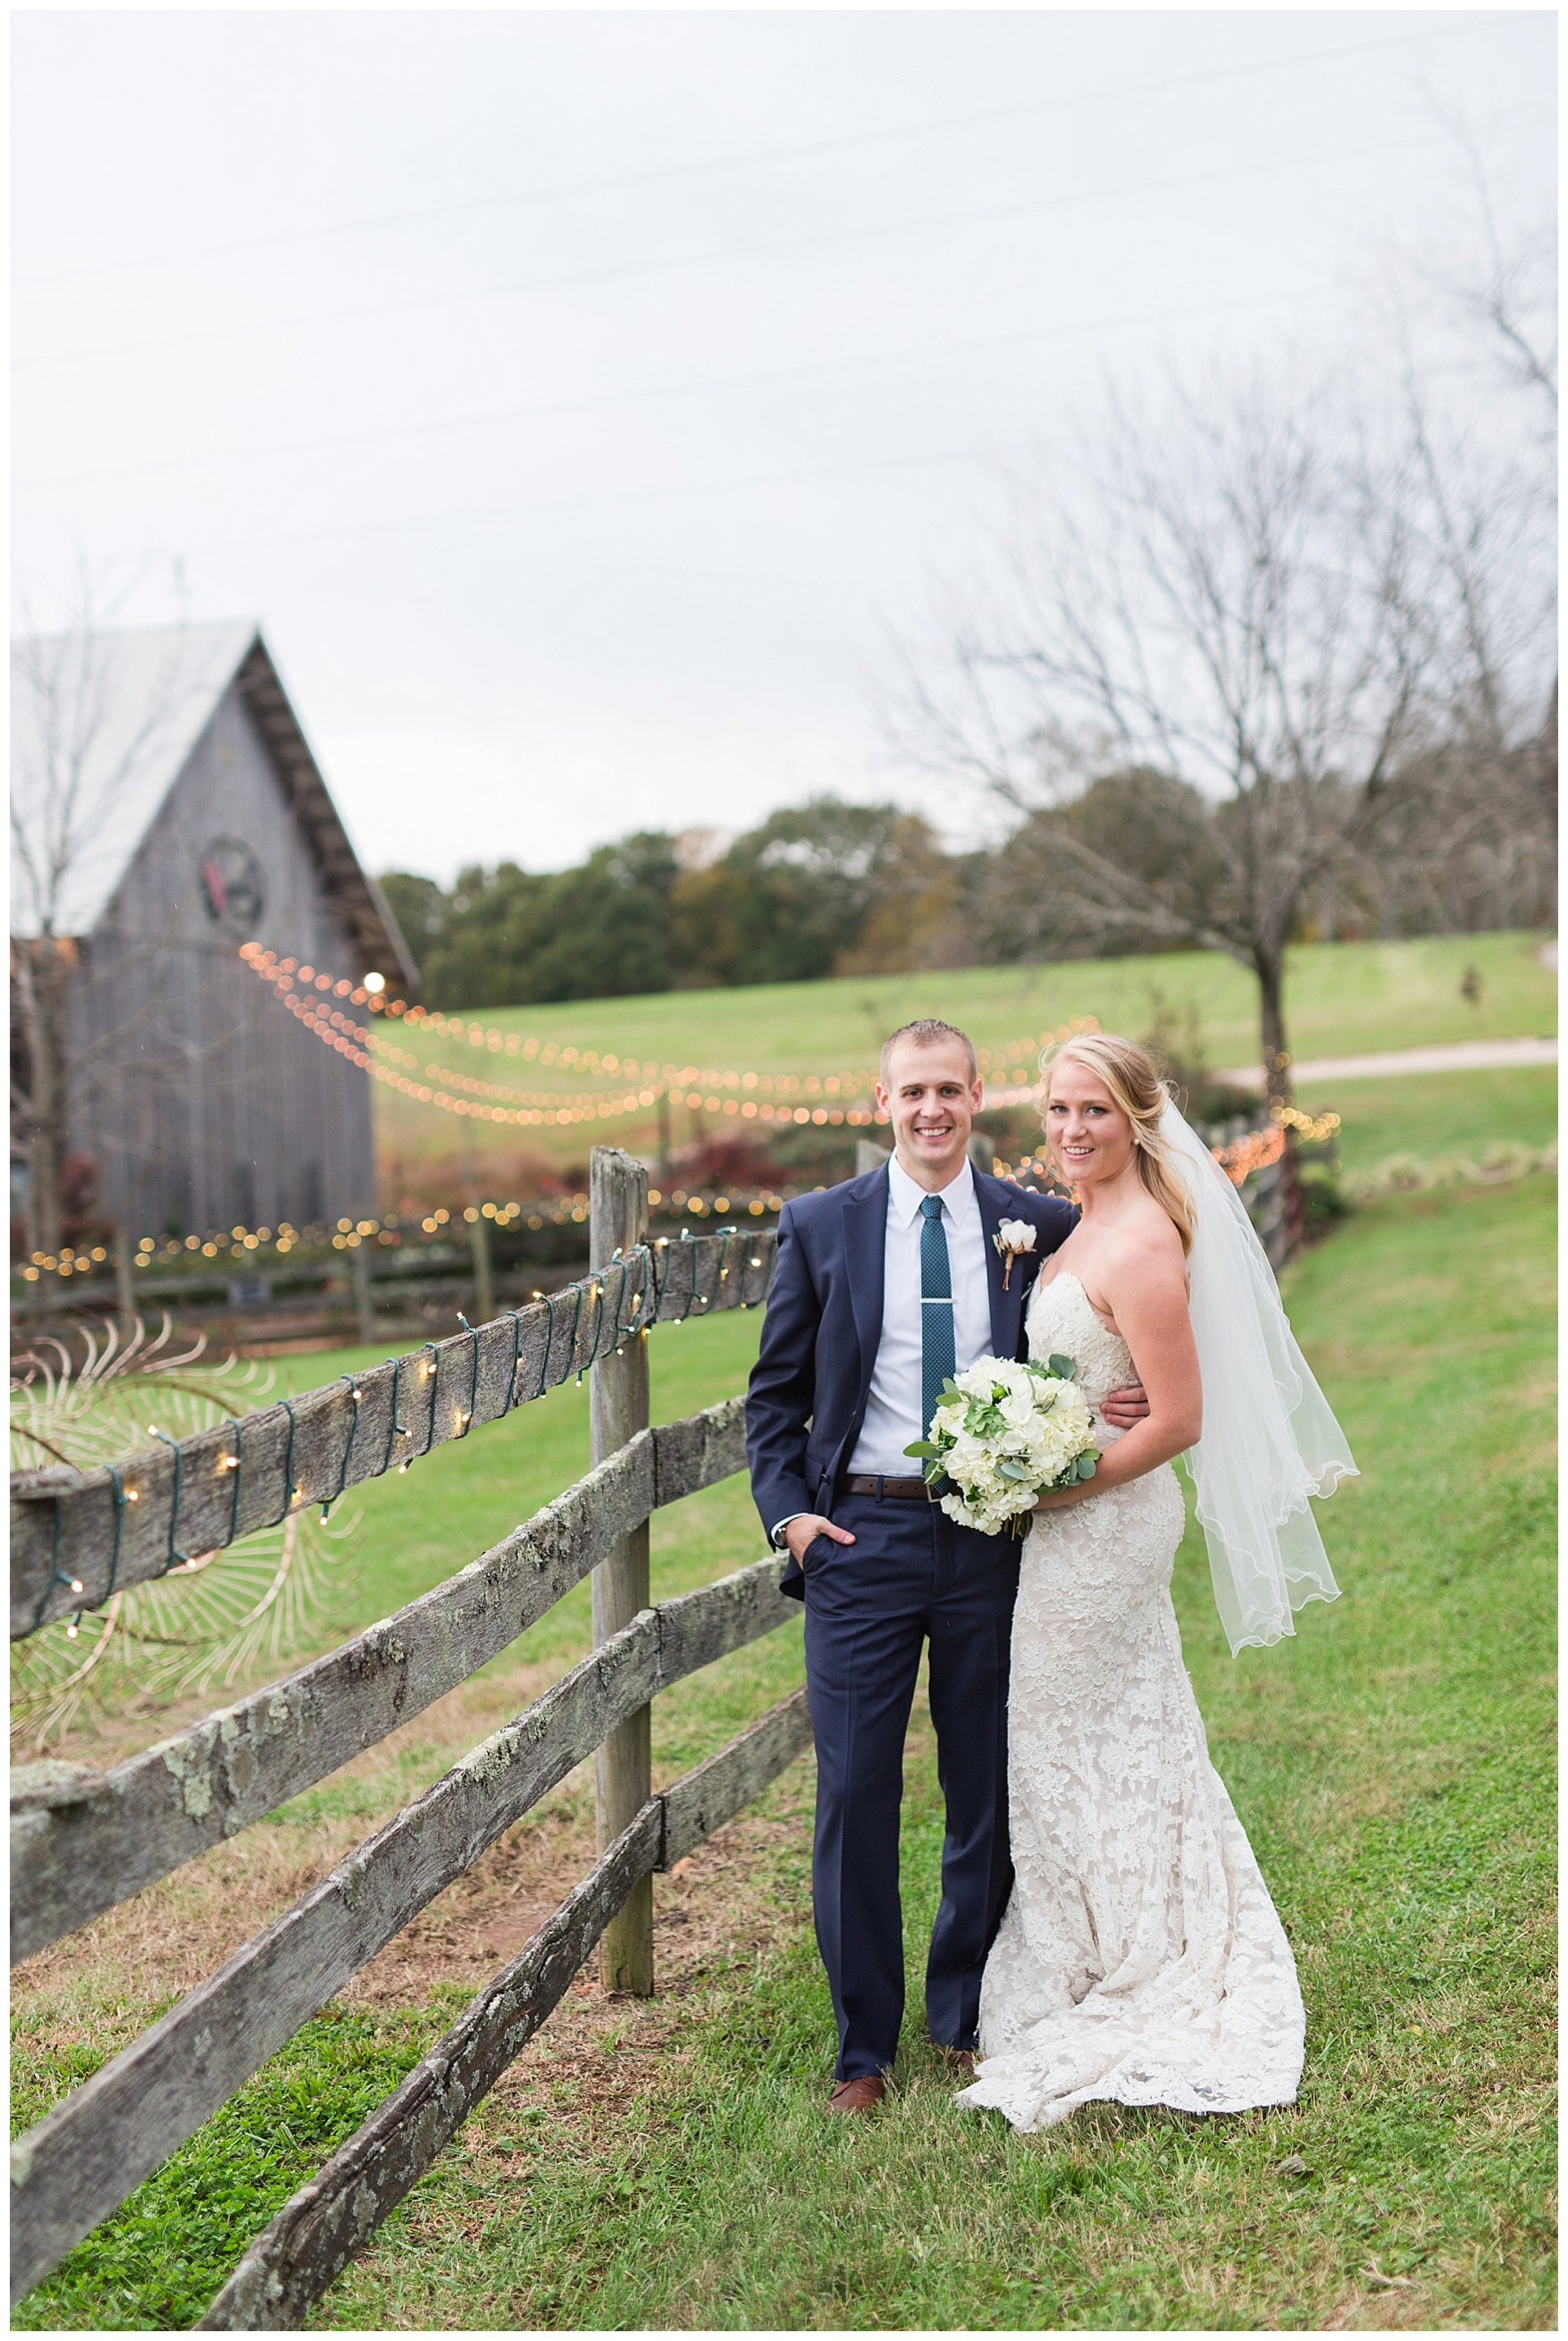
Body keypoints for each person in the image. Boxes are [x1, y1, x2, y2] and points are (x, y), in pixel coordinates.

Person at [744, 1019, 1151, 2114]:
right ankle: (862, 2052)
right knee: (857, 1790)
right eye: (911, 1091)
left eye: (949, 1090)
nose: (931, 1109)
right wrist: (791, 1520)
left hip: (994, 1535)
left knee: (986, 1780)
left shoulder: (1038, 1222)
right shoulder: (822, 1226)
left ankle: (968, 2010)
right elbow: (774, 1401)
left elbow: (1115, 1308)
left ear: (978, 1096)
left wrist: (1130, 1396)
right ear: (884, 1101)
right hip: (860, 1542)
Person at [957, 1033, 1355, 2133]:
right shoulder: (1080, 1226)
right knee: (1079, 1732)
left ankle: (1142, 1954)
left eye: (1094, 1109)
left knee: (1074, 1727)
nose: (1072, 1129)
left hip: (1107, 1529)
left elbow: (1178, 1417)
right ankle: (1098, 1941)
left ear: (1137, 1117)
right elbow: (1094, 1386)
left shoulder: (1138, 1245)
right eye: (1056, 1109)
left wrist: (1057, 1485)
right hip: (1073, 1517)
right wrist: (1038, 1441)